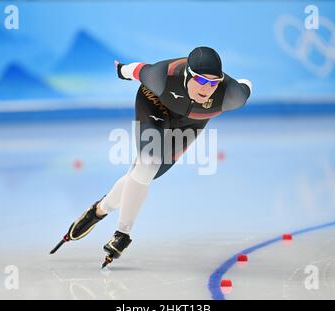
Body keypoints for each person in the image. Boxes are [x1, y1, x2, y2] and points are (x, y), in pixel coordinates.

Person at [50, 46, 252, 268]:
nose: (207, 88)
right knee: (147, 165)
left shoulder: (232, 96)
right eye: (202, 81)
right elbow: (136, 70)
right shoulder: (162, 77)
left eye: (214, 83)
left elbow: (245, 87)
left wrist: (242, 85)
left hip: (190, 123)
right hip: (155, 105)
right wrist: (121, 70)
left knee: (143, 175)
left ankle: (99, 209)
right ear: (187, 75)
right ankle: (122, 234)